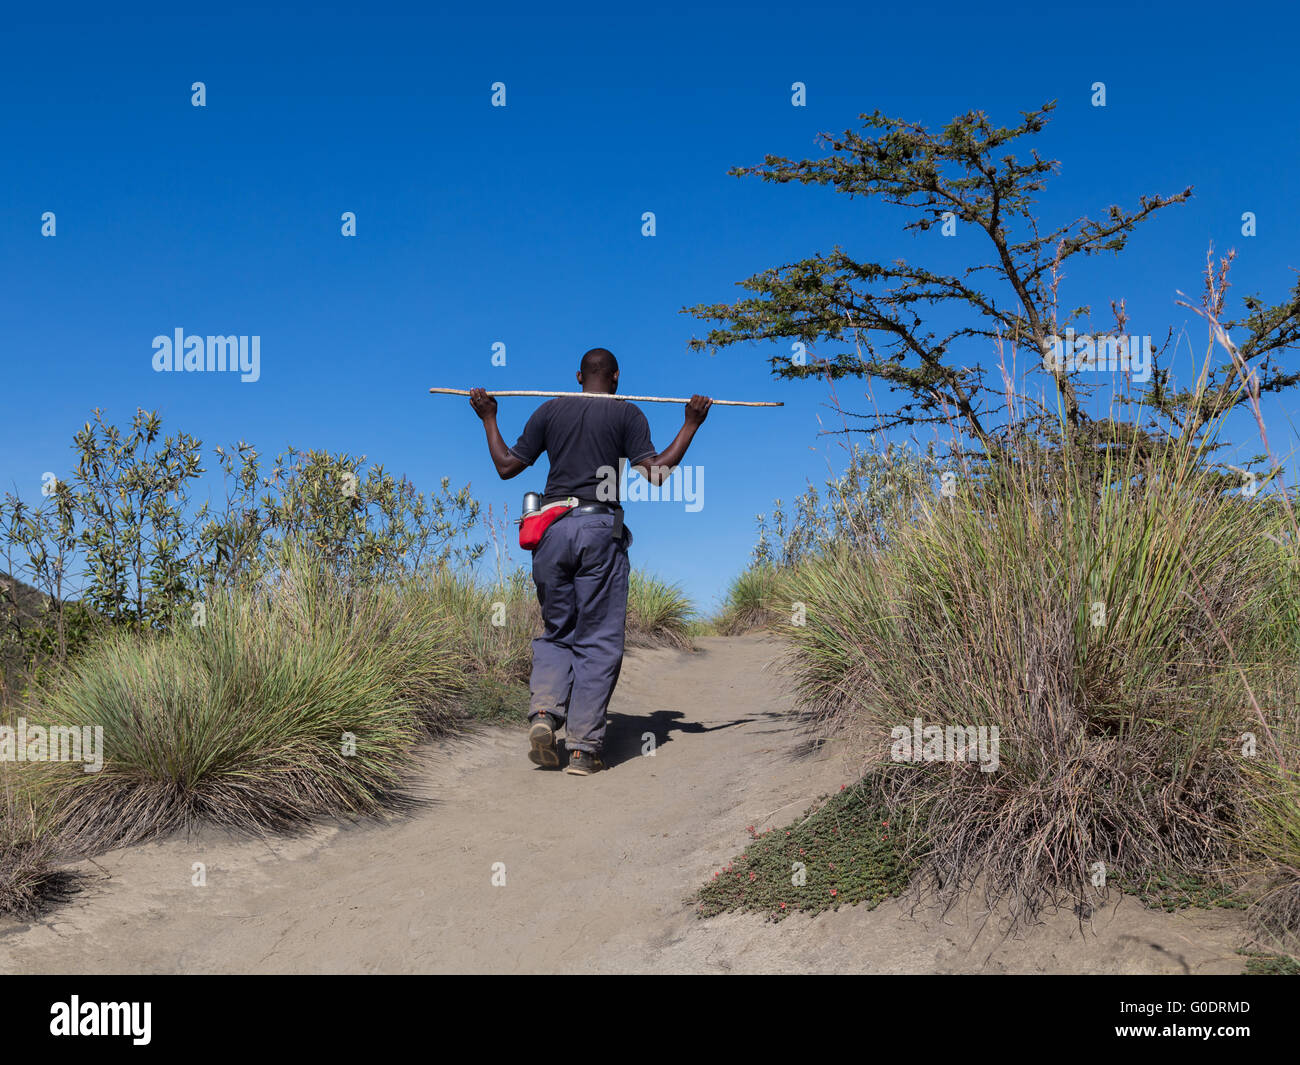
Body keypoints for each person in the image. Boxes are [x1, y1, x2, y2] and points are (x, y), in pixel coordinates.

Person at [469, 348, 712, 775]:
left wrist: (488, 416)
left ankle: (544, 714)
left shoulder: (549, 411)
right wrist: (691, 425)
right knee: (597, 639)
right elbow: (656, 474)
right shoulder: (627, 415)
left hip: (551, 530)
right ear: (616, 378)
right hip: (599, 529)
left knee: (557, 632)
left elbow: (507, 467)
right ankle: (582, 749)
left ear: (578, 375)